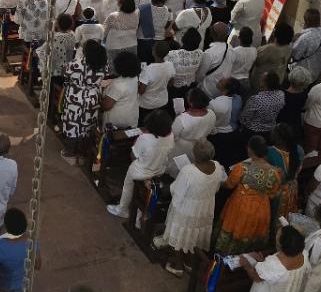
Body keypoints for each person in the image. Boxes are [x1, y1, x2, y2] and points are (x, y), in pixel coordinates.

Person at [160, 140, 226, 275]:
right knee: (194, 235)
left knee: (180, 234)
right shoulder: (218, 166)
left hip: (186, 209)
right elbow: (220, 184)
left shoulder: (188, 171)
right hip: (205, 208)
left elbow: (175, 191)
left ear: (194, 155)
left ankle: (178, 266)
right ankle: (189, 263)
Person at [214, 135, 282, 254]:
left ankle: (227, 258)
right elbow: (273, 193)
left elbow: (229, 185)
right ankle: (246, 257)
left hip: (241, 206)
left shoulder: (242, 168)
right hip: (261, 208)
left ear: (250, 150)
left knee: (235, 229)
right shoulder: (275, 172)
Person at [107, 110, 175, 218]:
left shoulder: (145, 138)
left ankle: (122, 209)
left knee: (128, 186)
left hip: (141, 172)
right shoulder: (170, 135)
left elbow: (133, 156)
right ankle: (140, 215)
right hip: (158, 170)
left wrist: (135, 143)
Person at [241, 226, 307, 292]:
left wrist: (247, 266)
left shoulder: (274, 263)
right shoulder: (303, 253)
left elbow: (256, 278)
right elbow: (275, 271)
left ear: (281, 244)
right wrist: (263, 261)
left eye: (277, 235)